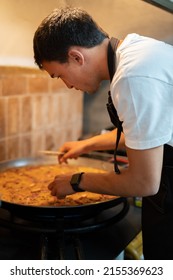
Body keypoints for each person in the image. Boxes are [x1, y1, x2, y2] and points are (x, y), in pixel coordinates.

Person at [33, 6, 173, 259]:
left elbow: (144, 182)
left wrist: (77, 181)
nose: (67, 85)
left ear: (76, 57)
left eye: (60, 76)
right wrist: (87, 145)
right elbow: (146, 134)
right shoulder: (134, 51)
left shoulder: (133, 77)